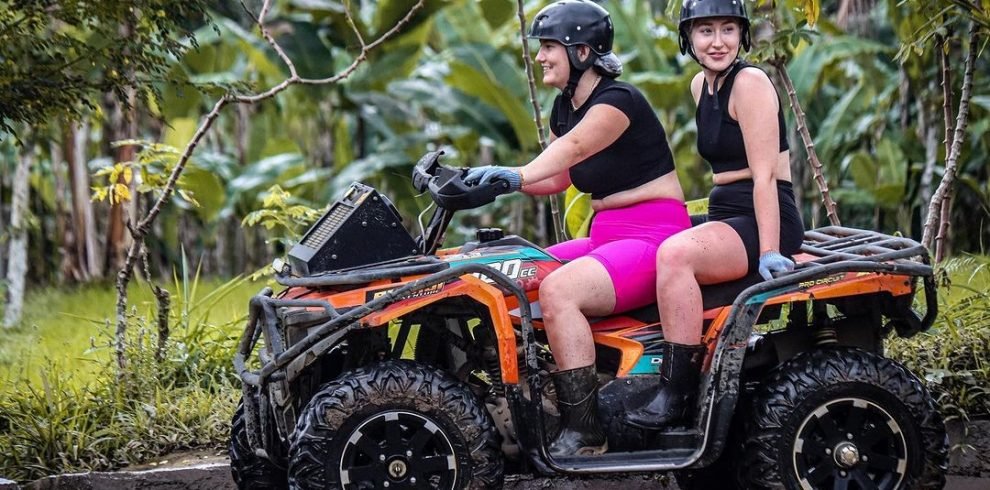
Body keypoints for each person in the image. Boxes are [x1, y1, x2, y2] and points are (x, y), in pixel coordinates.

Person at [464, 0, 691, 455]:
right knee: (505, 273)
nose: (540, 57)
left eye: (549, 47)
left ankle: (586, 431)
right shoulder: (565, 106)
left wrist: (513, 174)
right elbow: (556, 178)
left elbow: (572, 151)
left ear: (582, 52)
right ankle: (520, 403)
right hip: (607, 235)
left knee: (558, 291)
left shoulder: (618, 102)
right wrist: (483, 184)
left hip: (653, 235)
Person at [623, 0, 805, 429]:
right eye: (706, 31)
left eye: (728, 29)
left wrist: (770, 250)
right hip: (727, 211)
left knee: (676, 255)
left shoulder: (750, 83)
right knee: (652, 241)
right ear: (688, 38)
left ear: (742, 34)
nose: (718, 42)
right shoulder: (699, 86)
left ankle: (678, 391)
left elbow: (765, 177)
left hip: (764, 215)